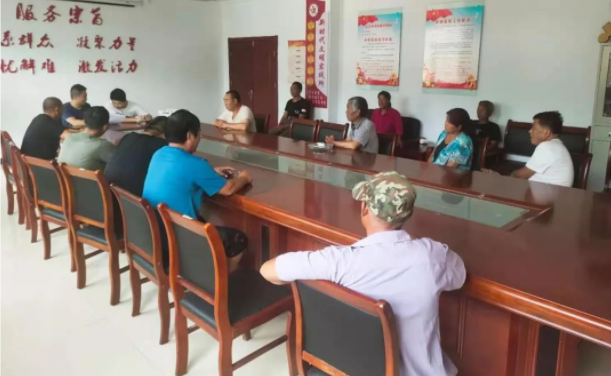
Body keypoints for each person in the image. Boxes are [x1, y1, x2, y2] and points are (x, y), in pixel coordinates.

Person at [260, 171, 466, 376]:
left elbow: (267, 270)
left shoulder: (338, 261)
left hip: (346, 367)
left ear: (364, 208)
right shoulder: (432, 256)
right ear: (407, 214)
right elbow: (460, 276)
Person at [143, 109, 253, 269]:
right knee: (238, 239)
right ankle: (215, 281)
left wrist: (209, 172)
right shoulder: (195, 164)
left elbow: (179, 172)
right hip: (179, 235)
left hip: (154, 231)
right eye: (199, 134)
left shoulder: (158, 154)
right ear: (190, 135)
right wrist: (244, 177)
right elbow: (228, 189)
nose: (200, 138)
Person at [490, 111, 574, 187]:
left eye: (533, 128)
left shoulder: (547, 147)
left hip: (544, 197)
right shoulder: (556, 145)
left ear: (546, 132)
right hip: (548, 194)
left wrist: (501, 178)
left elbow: (521, 175)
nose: (530, 131)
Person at [104, 117, 168, 196]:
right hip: (131, 197)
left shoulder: (128, 137)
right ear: (165, 134)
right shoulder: (161, 145)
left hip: (106, 189)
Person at [58, 106, 116, 171]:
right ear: (105, 127)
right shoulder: (102, 145)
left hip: (63, 176)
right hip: (88, 177)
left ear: (85, 122)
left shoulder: (69, 137)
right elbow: (120, 162)